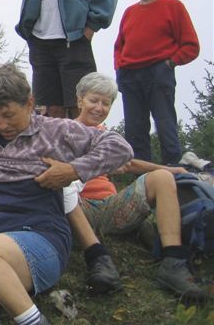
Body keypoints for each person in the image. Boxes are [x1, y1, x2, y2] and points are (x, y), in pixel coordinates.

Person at [0, 64, 132, 325]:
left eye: (9, 115)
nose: (2, 124)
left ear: (30, 103)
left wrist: (72, 170)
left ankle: (32, 320)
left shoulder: (56, 131)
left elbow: (120, 147)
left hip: (41, 240)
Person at [64, 72, 207, 301]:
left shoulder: (107, 136)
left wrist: (172, 170)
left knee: (161, 177)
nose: (99, 108)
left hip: (112, 207)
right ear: (80, 100)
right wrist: (99, 166)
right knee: (62, 192)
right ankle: (98, 260)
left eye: (106, 103)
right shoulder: (60, 132)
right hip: (78, 208)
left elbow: (129, 163)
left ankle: (173, 260)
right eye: (94, 100)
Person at [115, 0, 199, 165]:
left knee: (165, 124)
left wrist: (170, 63)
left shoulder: (173, 6)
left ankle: (175, 174)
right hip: (130, 74)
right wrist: (119, 68)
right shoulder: (129, 12)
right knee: (134, 129)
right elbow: (119, 45)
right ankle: (143, 181)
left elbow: (191, 45)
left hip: (158, 72)